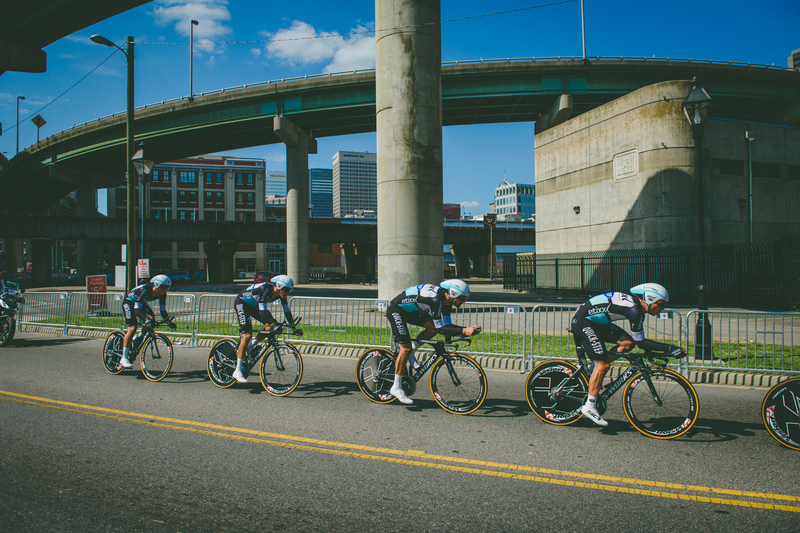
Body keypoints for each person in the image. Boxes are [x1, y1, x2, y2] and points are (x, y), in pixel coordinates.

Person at [571, 282, 686, 427]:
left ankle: (594, 370)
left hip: (596, 322)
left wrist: (663, 350)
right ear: (650, 299)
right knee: (603, 366)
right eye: (661, 304)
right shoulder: (634, 311)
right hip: (583, 322)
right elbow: (642, 343)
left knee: (627, 343)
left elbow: (638, 342)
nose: (663, 308)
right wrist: (669, 348)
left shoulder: (638, 311)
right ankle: (590, 406)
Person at [385, 279, 482, 405]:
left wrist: (463, 332)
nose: (464, 302)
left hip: (410, 310)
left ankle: (412, 351)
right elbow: (441, 328)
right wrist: (464, 330)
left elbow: (446, 325)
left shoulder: (446, 301)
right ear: (453, 294)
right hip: (396, 310)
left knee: (432, 329)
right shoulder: (435, 300)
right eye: (463, 298)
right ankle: (396, 387)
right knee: (405, 348)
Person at [233, 274, 303, 383]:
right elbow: (262, 311)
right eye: (286, 290)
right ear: (278, 287)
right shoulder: (264, 289)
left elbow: (287, 311)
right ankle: (237, 371)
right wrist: (274, 324)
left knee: (270, 327)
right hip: (242, 303)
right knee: (247, 335)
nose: (288, 292)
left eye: (290, 290)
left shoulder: (281, 294)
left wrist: (293, 328)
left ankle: (250, 346)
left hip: (254, 305)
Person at [121, 274, 176, 368]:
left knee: (151, 321)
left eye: (167, 288)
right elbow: (136, 309)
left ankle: (139, 337)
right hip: (130, 303)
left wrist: (168, 321)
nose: (165, 290)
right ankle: (124, 358)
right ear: (157, 285)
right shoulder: (145, 289)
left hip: (141, 304)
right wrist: (146, 319)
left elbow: (163, 311)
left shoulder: (162, 294)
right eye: (163, 287)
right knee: (132, 328)